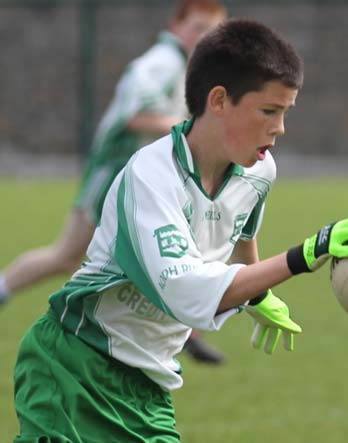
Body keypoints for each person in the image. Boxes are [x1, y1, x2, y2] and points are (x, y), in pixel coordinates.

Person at [13, 18, 348, 443]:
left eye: (285, 113)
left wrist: (257, 291)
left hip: (148, 387)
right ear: (220, 100)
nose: (279, 128)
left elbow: (242, 232)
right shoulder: (151, 177)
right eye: (268, 111)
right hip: (73, 366)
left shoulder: (259, 171)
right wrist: (304, 254)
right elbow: (185, 292)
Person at [0, 0, 227, 364]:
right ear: (175, 26)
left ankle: (187, 330)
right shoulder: (161, 62)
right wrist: (191, 131)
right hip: (115, 171)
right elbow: (136, 114)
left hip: (144, 176)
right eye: (197, 27)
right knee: (67, 255)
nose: (203, 37)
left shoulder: (184, 66)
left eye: (211, 31)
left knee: (178, 247)